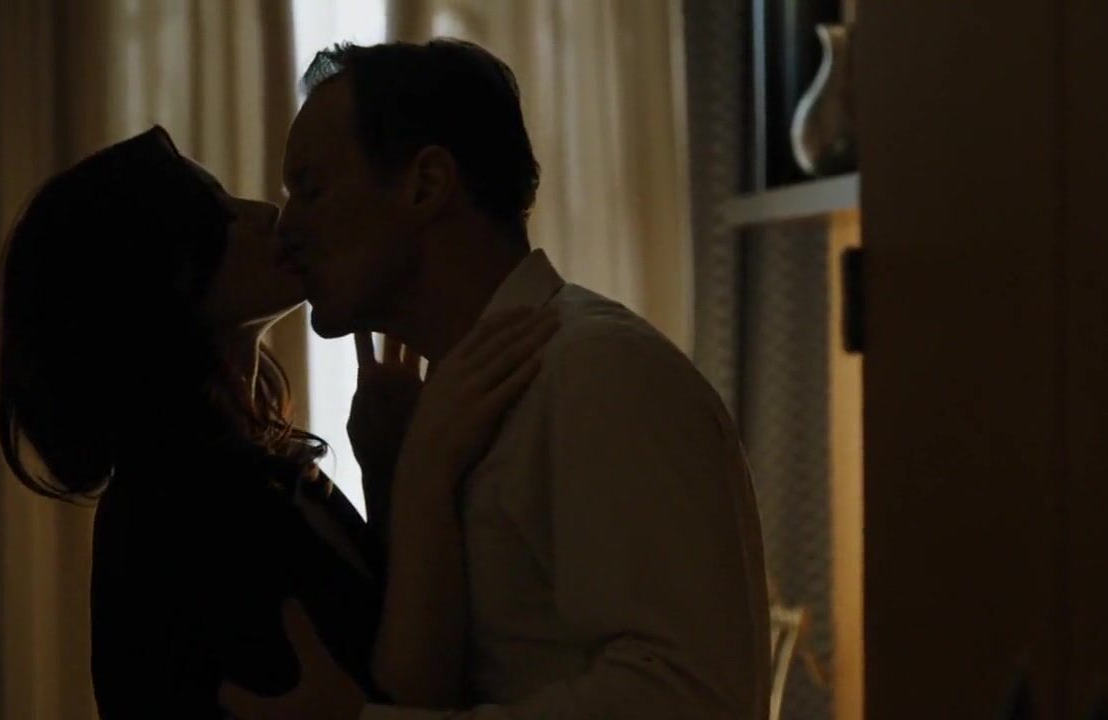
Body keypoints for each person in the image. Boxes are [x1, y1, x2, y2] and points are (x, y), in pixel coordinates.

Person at [223, 39, 771, 720]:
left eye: (309, 190)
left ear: (426, 186)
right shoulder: (460, 407)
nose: (285, 231)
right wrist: (396, 480)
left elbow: (694, 698)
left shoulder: (599, 374)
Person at [0, 126, 556, 718]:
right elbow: (415, 701)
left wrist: (387, 470)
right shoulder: (175, 516)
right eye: (220, 215)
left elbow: (383, 644)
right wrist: (427, 469)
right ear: (155, 284)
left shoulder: (258, 471)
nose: (270, 216)